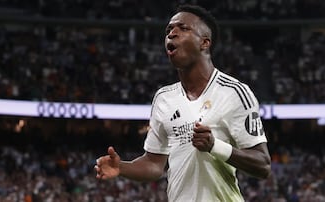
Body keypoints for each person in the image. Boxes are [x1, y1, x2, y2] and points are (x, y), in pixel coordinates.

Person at [95, 4, 271, 202]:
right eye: (169, 29)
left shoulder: (234, 92)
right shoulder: (164, 98)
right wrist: (122, 167)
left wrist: (215, 146)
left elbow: (263, 166)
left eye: (183, 28)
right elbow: (154, 164)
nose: (172, 33)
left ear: (205, 43)